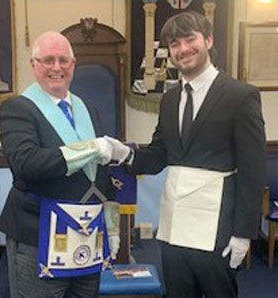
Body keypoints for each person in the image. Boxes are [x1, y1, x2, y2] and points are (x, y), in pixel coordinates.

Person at [104, 11, 266, 297]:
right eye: (175, 44)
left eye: (190, 40)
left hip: (216, 227)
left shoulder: (240, 96)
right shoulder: (170, 99)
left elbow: (253, 170)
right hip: (175, 223)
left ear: (208, 41)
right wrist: (125, 154)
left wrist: (243, 232)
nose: (183, 50)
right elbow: (157, 157)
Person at [0, 31, 120, 298]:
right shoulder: (18, 108)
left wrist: (112, 226)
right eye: (48, 60)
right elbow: (27, 163)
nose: (57, 67)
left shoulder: (88, 109)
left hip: (88, 235)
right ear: (33, 65)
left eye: (64, 60)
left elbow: (100, 174)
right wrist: (90, 147)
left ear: (73, 65)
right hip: (38, 235)